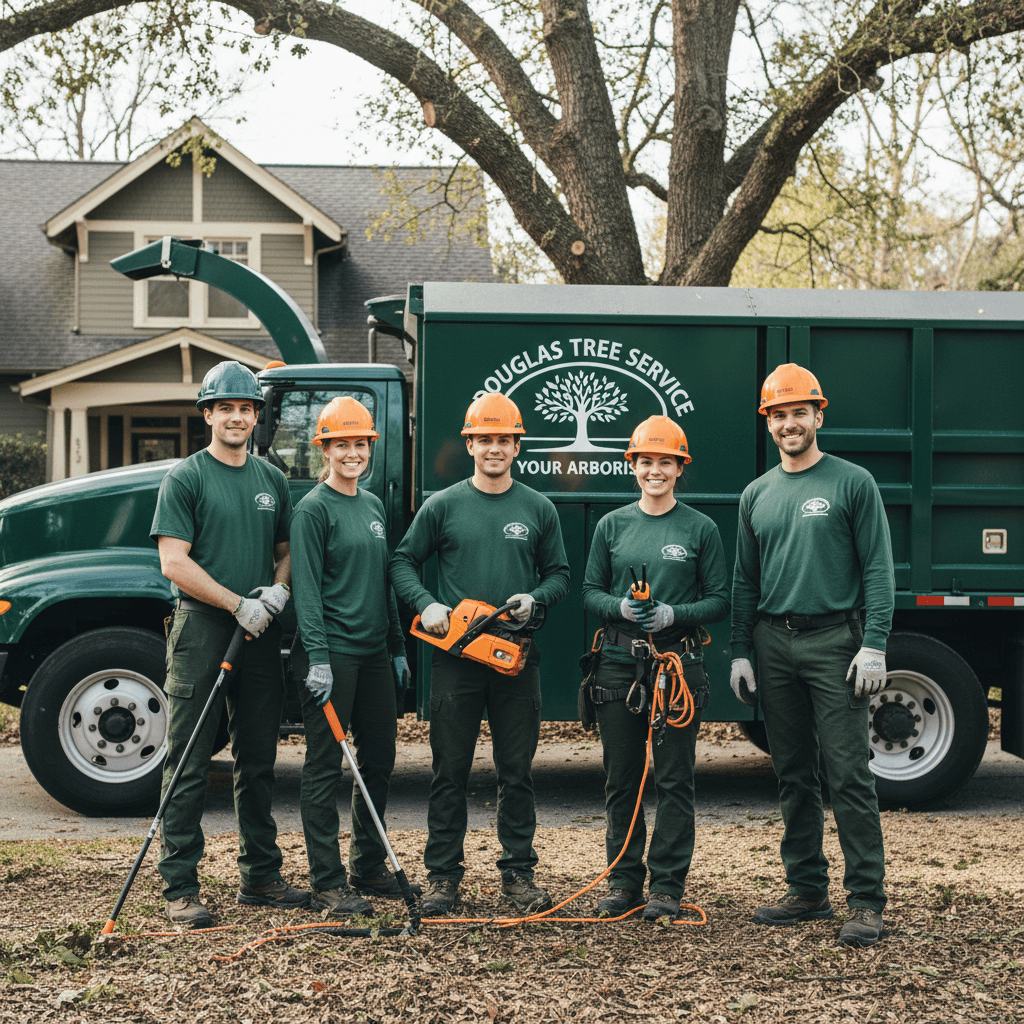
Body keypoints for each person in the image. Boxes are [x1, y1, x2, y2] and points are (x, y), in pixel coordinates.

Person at [729, 363, 894, 947]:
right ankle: (806, 890)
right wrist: (740, 650)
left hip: (835, 643)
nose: (789, 423)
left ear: (818, 416)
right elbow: (744, 582)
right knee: (792, 773)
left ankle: (867, 900)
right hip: (774, 644)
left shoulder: (853, 483)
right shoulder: (756, 494)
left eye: (800, 412)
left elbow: (878, 569)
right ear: (769, 424)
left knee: (848, 773)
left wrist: (873, 644)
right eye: (779, 414)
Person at [390, 393, 570, 918]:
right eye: (484, 439)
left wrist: (535, 599)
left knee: (517, 771)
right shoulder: (443, 505)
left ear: (517, 445)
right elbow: (402, 561)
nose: (494, 447)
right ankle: (443, 877)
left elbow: (559, 575)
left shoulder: (538, 507)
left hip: (516, 658)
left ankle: (518, 874)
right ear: (469, 443)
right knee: (450, 771)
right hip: (456, 659)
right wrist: (426, 605)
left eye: (504, 440)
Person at [151, 360, 309, 928]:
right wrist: (235, 603)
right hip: (203, 629)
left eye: (246, 408)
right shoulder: (186, 478)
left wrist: (277, 592)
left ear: (255, 416)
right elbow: (174, 561)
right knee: (189, 758)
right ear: (208, 414)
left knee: (258, 759)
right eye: (227, 408)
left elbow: (287, 550)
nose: (237, 416)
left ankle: (261, 875)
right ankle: (179, 885)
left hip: (261, 631)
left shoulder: (270, 478)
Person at [581, 415, 729, 921]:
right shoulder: (612, 526)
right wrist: (621, 608)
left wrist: (674, 614)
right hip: (619, 666)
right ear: (633, 465)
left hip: (676, 667)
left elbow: (719, 599)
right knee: (622, 779)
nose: (655, 470)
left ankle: (667, 886)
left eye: (665, 462)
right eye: (646, 461)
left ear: (679, 467)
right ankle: (623, 882)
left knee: (673, 780)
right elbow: (588, 592)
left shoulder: (700, 528)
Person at [290, 397, 417, 919]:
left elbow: (385, 582)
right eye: (340, 444)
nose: (351, 453)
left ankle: (367, 864)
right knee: (324, 766)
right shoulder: (312, 509)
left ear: (369, 448)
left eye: (360, 444)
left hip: (372, 655)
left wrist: (396, 646)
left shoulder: (371, 506)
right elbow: (307, 592)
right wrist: (317, 657)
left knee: (380, 760)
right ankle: (326, 881)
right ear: (325, 448)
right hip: (332, 656)